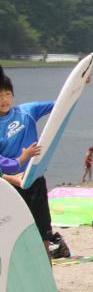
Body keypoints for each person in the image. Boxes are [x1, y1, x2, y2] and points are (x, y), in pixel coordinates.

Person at [0, 65, 70, 258]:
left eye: (7, 94)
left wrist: (78, 85)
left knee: (42, 231)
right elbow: (2, 163)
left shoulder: (27, 111)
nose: (4, 100)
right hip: (8, 186)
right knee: (13, 232)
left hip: (34, 181)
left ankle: (45, 270)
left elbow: (61, 104)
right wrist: (19, 165)